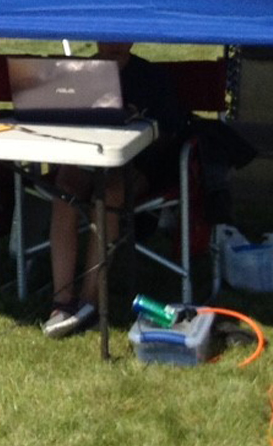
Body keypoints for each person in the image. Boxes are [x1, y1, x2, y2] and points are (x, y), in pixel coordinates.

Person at [43, 44, 192, 338]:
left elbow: (169, 134)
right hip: (85, 156)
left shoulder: (152, 77)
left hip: (138, 163)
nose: (111, 42)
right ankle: (61, 302)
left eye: (118, 36)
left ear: (131, 40)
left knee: (108, 195)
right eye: (104, 36)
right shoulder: (77, 74)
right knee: (65, 193)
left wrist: (135, 120)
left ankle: (90, 301)